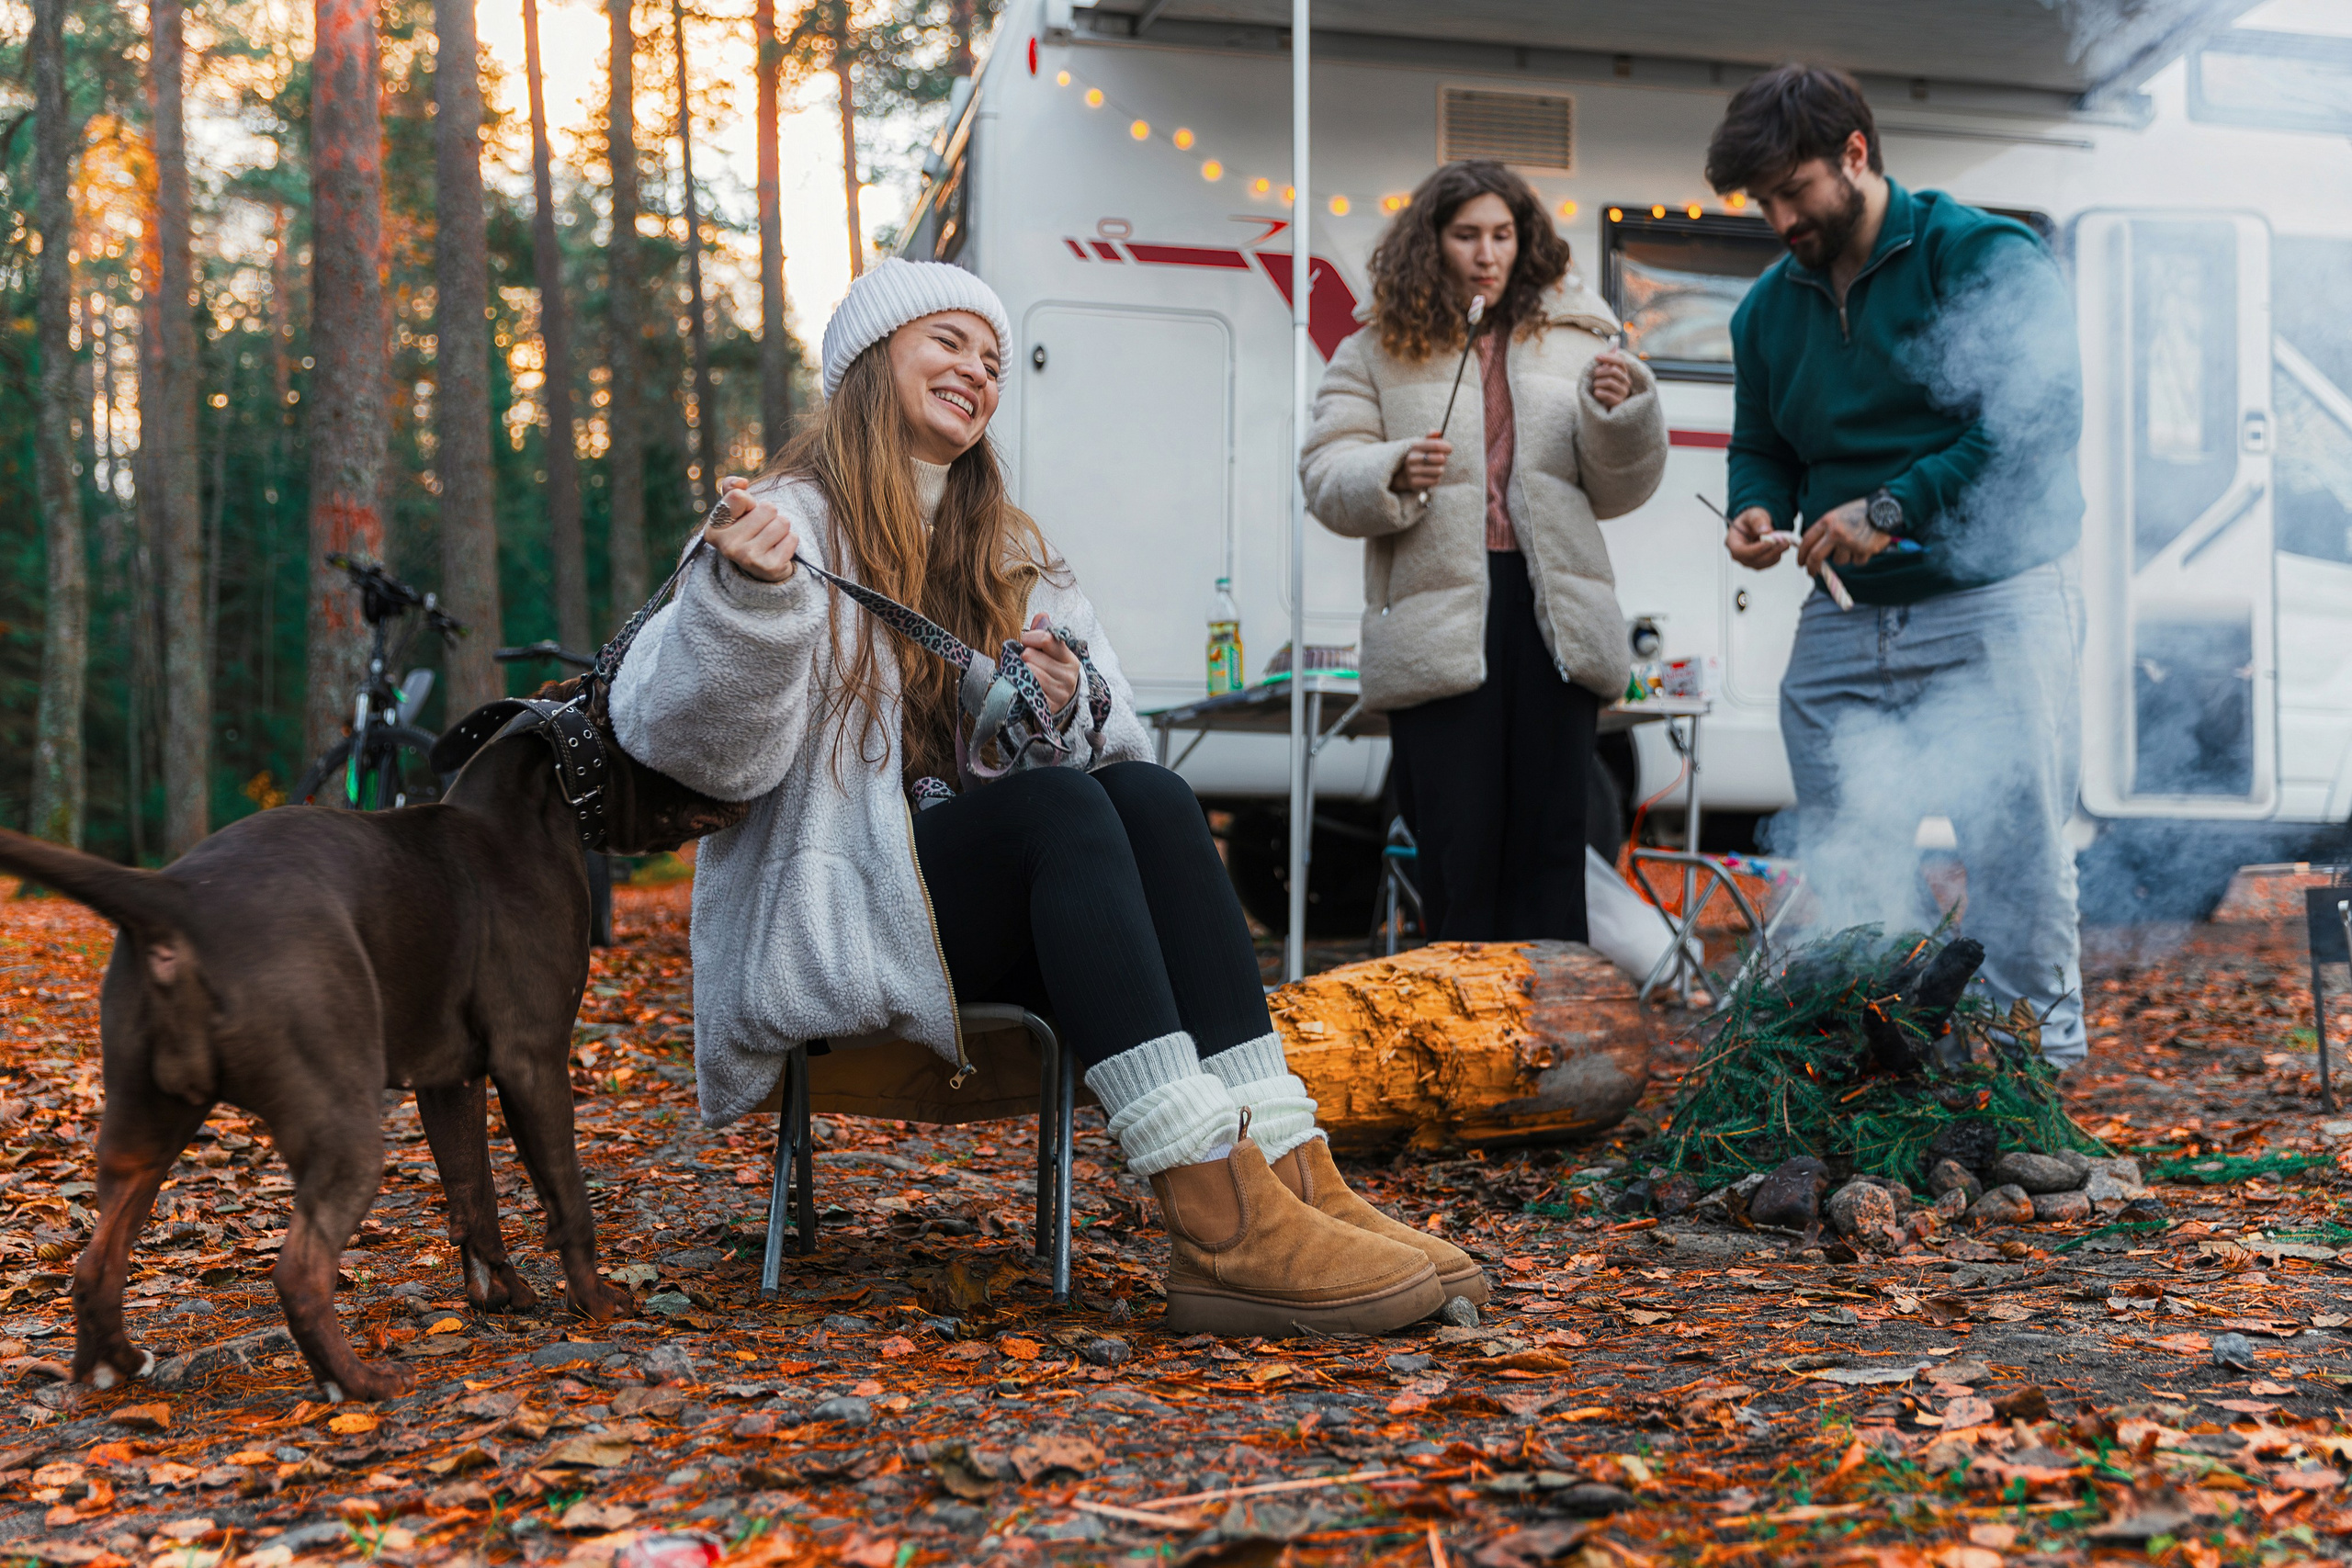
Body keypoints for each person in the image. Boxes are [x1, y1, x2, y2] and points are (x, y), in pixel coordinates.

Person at [608, 258, 1485, 1336]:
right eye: (946, 344)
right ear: (870, 362)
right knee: (1061, 813)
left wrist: (1062, 706)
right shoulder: (778, 525)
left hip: (997, 910)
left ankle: (1294, 1175)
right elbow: (692, 753)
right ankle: (1214, 1216)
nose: (975, 372)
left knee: (1153, 798)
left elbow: (1117, 742)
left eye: (990, 361)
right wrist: (746, 603)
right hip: (841, 915)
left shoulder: (1012, 547)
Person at [1705, 66, 2088, 1064]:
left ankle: (2032, 1071)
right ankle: (1885, 1057)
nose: (1778, 217)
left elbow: (2038, 417)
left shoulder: (1979, 254)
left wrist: (1893, 504)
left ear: (1856, 155)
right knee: (1848, 857)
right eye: (1762, 201)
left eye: (1794, 191)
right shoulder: (1764, 311)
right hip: (1843, 616)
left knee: (2013, 858)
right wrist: (1754, 508)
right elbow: (1763, 443)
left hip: (1990, 601)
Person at [1302, 161, 1667, 942]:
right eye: (1467, 235)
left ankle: (1550, 1046)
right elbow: (1325, 474)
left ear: (1524, 239)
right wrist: (1390, 468)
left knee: (1551, 855)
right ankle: (1465, 1046)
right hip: (1440, 623)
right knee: (1458, 858)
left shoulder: (1579, 339)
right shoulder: (1376, 348)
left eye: (1502, 235)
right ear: (1430, 242)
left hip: (1553, 615)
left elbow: (1620, 488)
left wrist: (1622, 415)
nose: (1487, 253)